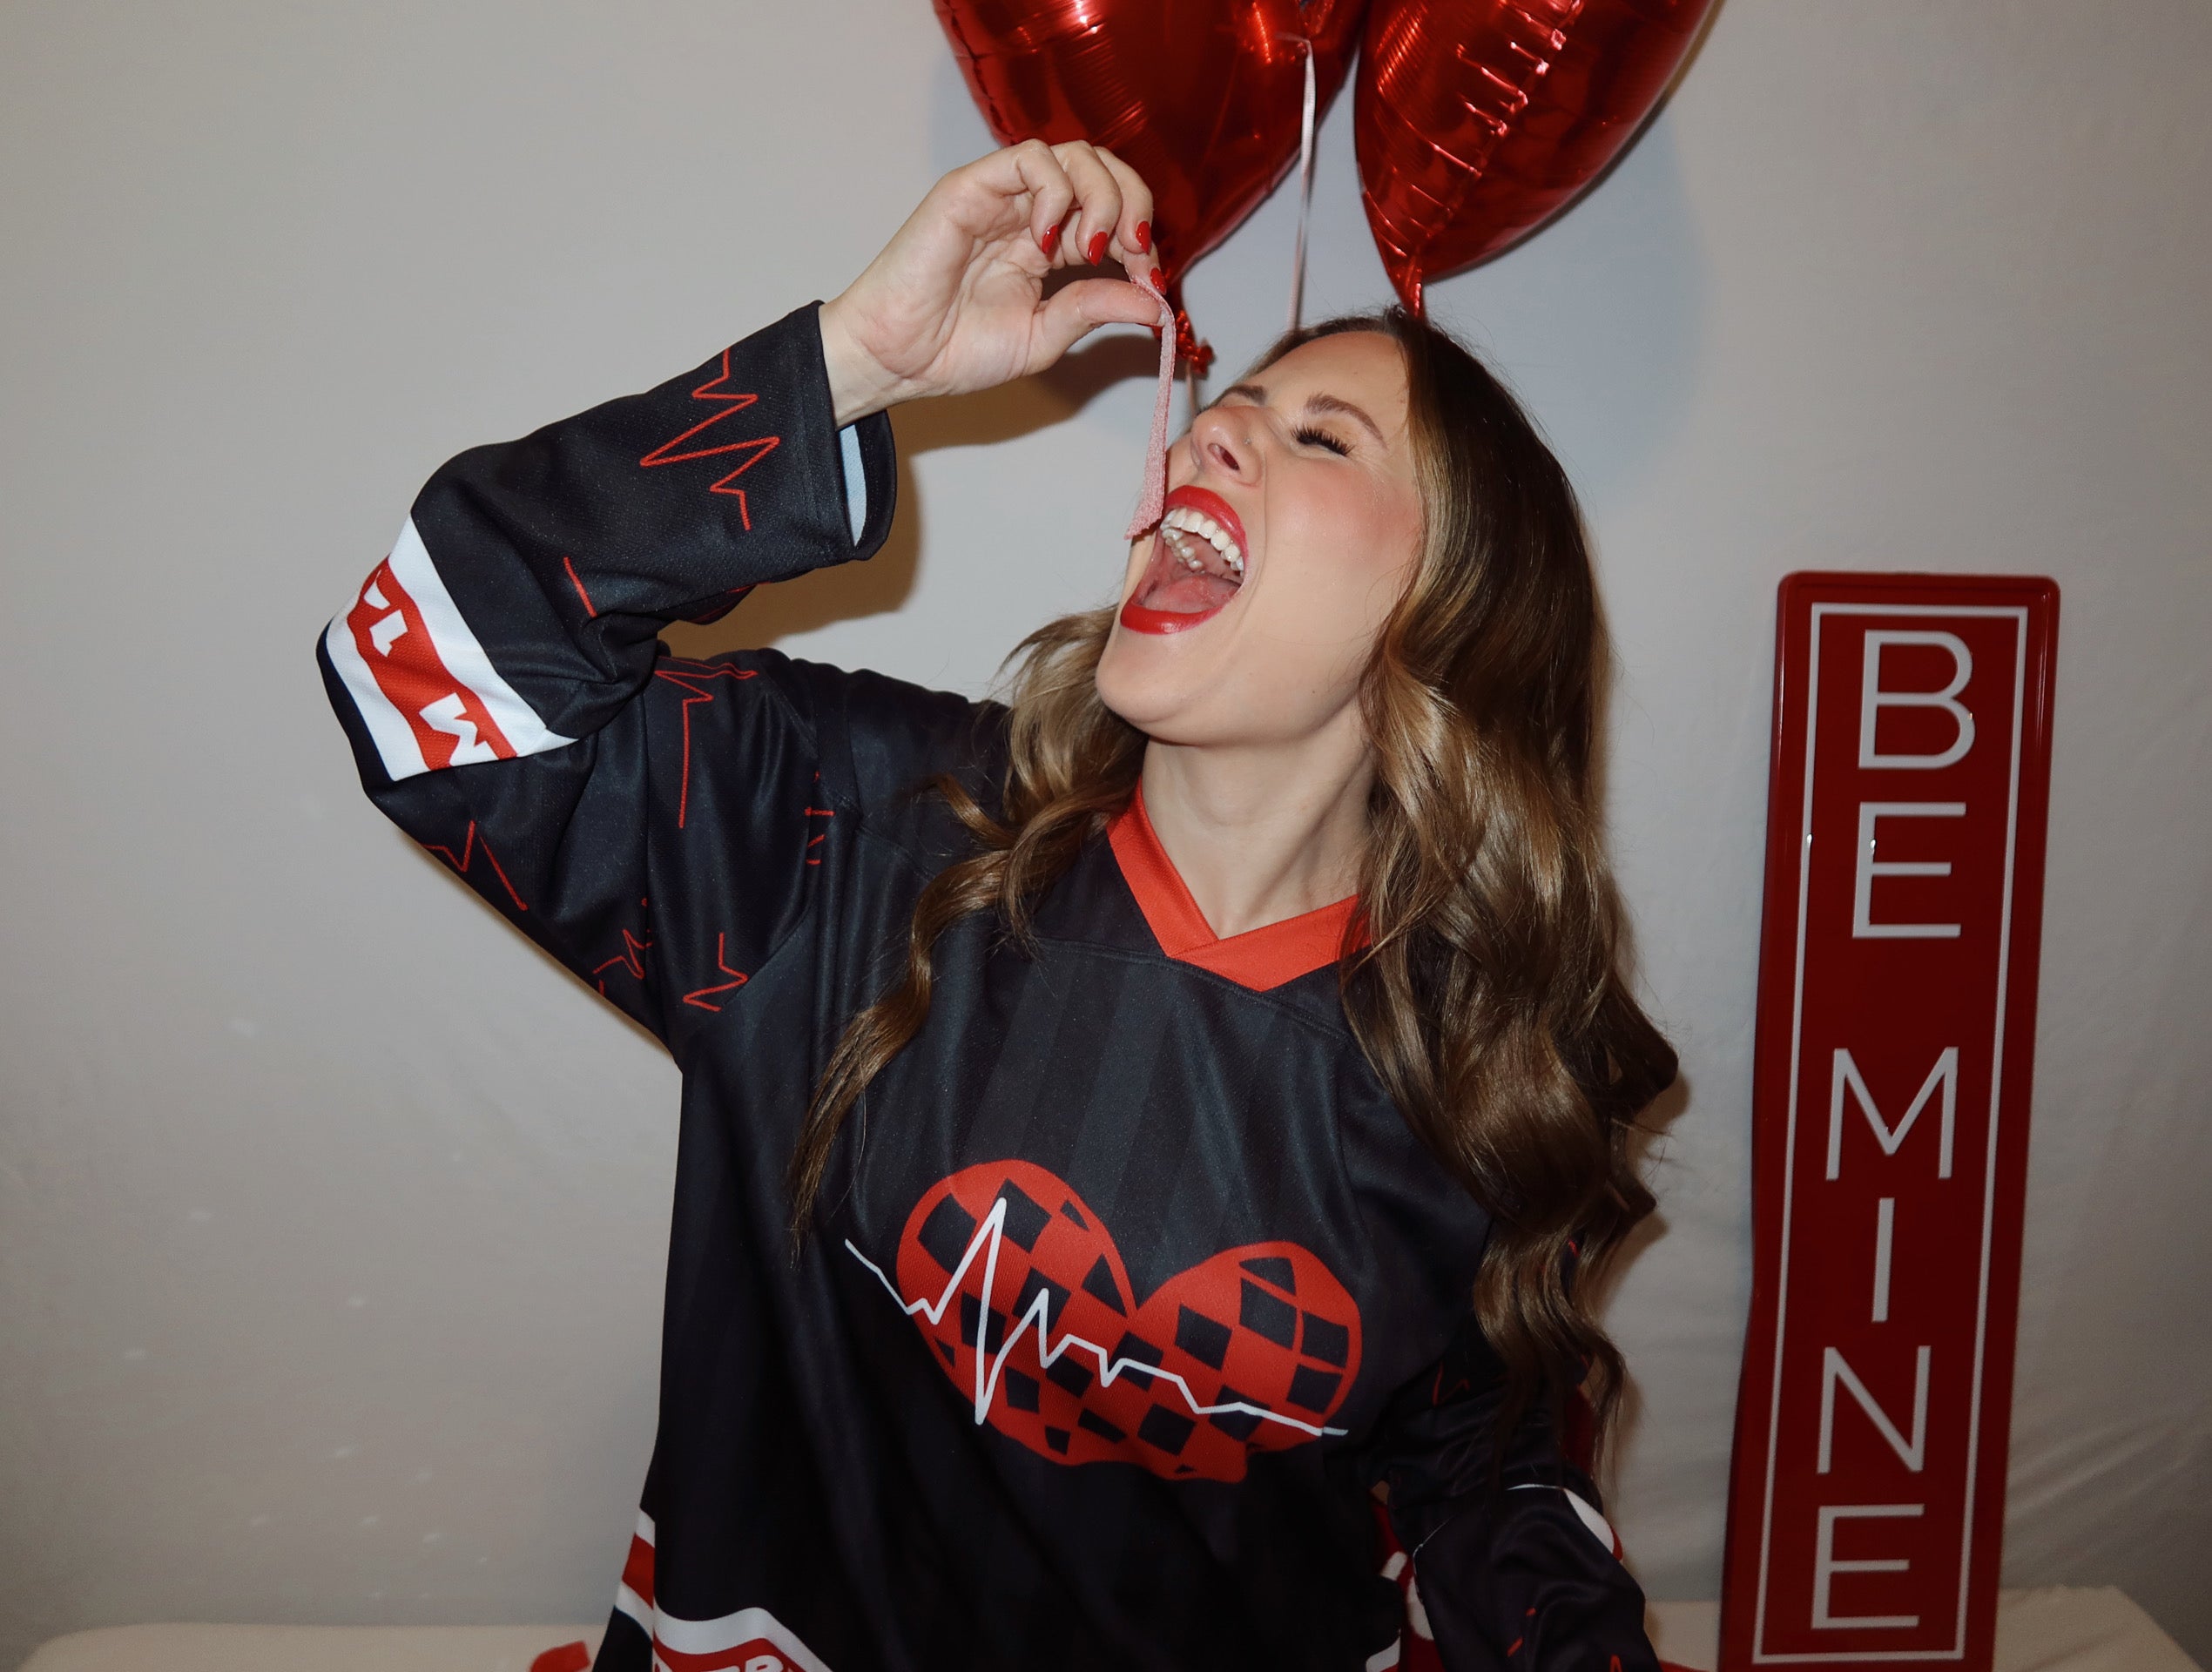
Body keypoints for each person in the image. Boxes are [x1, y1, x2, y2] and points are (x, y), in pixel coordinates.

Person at [319, 139, 1677, 1672]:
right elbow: (421, 668)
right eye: (1223, 413)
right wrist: (846, 363)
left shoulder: (1491, 1057)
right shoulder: (851, 834)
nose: (1212, 440)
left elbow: (1481, 1471)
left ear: (1465, 618)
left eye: (1322, 439)